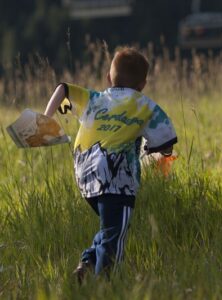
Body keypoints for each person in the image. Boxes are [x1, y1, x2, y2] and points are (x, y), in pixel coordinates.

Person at [43, 47, 177, 282]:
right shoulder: (145, 106)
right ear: (143, 84)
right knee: (116, 234)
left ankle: (88, 262)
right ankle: (107, 283)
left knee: (110, 227)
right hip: (118, 182)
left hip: (86, 178)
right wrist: (162, 153)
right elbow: (166, 144)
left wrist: (46, 118)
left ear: (108, 77)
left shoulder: (96, 99)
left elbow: (63, 89)